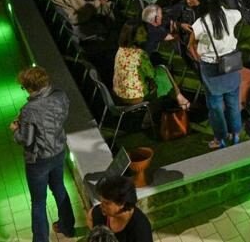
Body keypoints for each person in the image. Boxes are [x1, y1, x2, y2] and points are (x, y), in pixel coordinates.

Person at [11, 66, 75, 242]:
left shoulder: (29, 109)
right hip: (59, 151)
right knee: (59, 188)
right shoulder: (60, 95)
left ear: (30, 87)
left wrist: (16, 130)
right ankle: (67, 227)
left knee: (38, 202)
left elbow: (26, 139)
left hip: (38, 160)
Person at [189, 0, 244, 148]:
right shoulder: (231, 15)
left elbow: (191, 45)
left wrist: (198, 59)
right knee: (233, 101)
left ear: (202, 3)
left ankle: (220, 138)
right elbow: (238, 14)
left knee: (215, 106)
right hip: (231, 64)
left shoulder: (199, 24)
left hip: (211, 67)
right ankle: (235, 134)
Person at [86, 176, 153, 242]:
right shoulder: (100, 214)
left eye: (106, 203)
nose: (101, 206)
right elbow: (90, 217)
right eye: (101, 201)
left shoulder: (141, 229)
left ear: (121, 203)